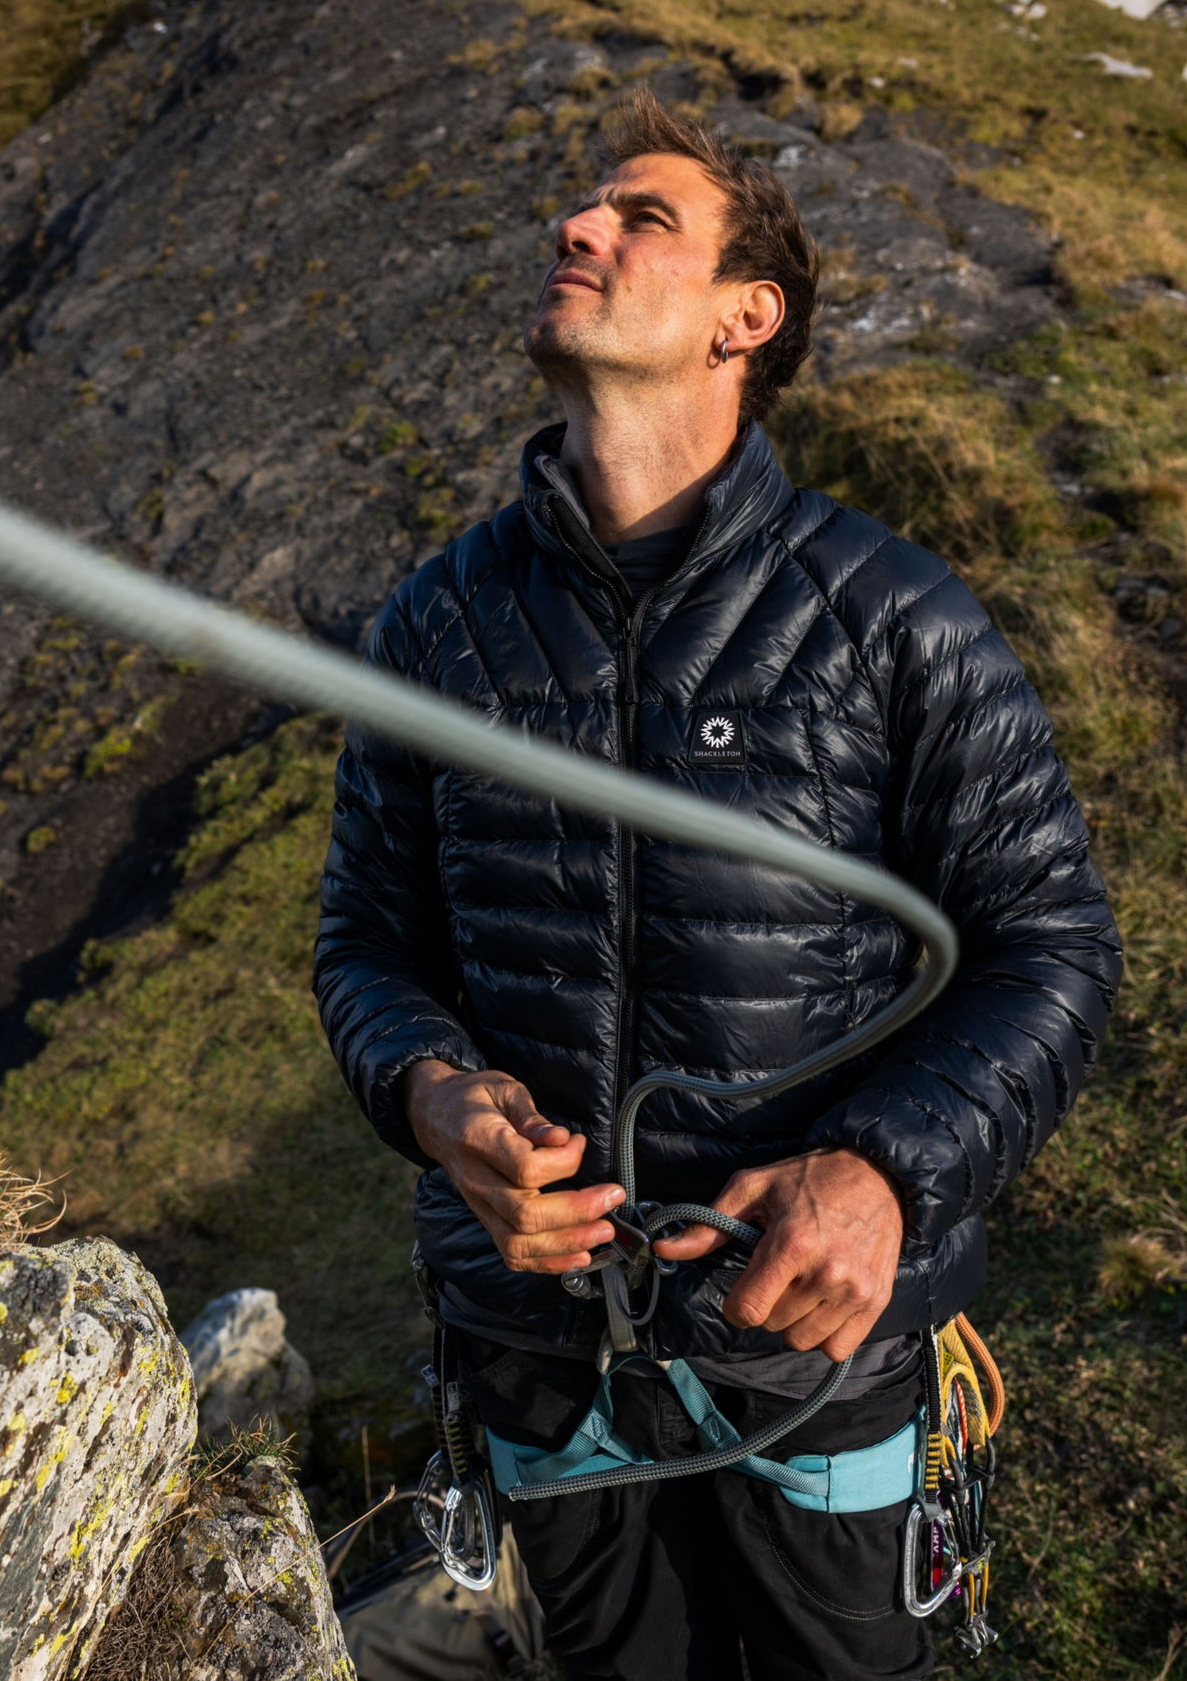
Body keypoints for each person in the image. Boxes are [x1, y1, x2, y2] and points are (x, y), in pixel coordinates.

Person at [313, 87, 1122, 1681]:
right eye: (587, 206)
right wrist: (430, 1097)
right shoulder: (437, 625)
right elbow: (364, 942)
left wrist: (884, 1172)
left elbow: (1052, 946)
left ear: (746, 317)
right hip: (536, 1346)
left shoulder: (894, 616)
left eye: (642, 217)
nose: (578, 225)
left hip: (817, 1349)